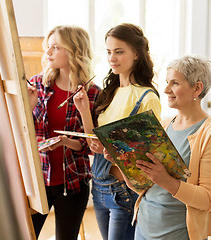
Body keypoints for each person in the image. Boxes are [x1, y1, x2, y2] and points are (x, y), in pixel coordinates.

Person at [104, 55, 211, 240]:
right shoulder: (162, 125)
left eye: (175, 83)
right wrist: (123, 162)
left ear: (197, 88)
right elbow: (142, 187)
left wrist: (166, 180)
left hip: (178, 234)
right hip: (143, 228)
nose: (166, 89)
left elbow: (209, 200)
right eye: (167, 82)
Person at [73, 23, 161, 240]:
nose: (112, 58)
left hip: (123, 190)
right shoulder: (110, 93)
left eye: (119, 52)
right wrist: (84, 110)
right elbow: (94, 141)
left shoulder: (147, 96)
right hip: (99, 187)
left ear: (137, 55)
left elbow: (149, 154)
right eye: (109, 52)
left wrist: (112, 149)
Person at [27, 25, 101, 240]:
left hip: (73, 183)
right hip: (37, 180)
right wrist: (30, 106)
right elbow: (21, 134)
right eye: (48, 47)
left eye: (56, 47)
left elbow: (91, 145)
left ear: (75, 51)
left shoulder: (93, 93)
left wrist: (66, 141)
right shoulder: (37, 85)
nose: (48, 53)